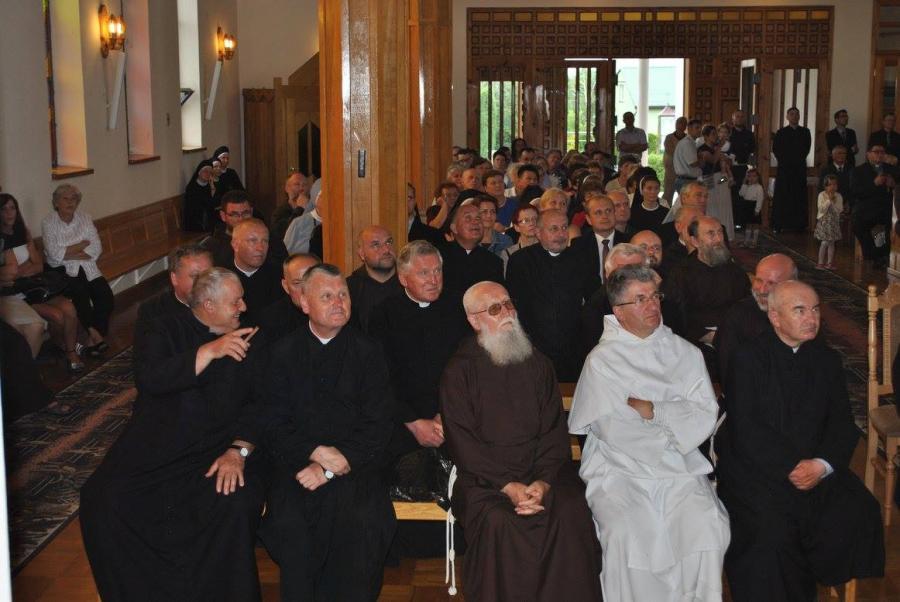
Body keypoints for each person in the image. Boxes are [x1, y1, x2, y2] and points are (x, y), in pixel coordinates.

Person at [80, 268, 266, 601]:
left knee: (235, 503)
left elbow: (261, 405)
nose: (243, 306)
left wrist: (238, 451)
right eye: (235, 301)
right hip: (156, 448)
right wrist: (209, 351)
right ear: (208, 305)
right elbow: (152, 379)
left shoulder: (252, 338)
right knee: (101, 499)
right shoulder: (163, 328)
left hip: (215, 452)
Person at [570, 265, 730, 602]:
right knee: (626, 534)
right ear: (618, 311)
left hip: (680, 468)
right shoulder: (602, 361)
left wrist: (655, 410)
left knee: (707, 524)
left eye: (655, 296)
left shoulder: (685, 352)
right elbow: (612, 426)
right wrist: (672, 425)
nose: (653, 305)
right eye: (640, 299)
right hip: (620, 469)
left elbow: (704, 411)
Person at [717, 280, 885, 602]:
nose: (812, 318)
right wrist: (790, 467)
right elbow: (746, 427)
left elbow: (842, 423)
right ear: (775, 317)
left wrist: (822, 465)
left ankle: (823, 583)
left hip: (816, 467)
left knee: (859, 510)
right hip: (760, 471)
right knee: (769, 533)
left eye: (815, 310)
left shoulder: (827, 360)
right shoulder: (747, 358)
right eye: (800, 310)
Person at [440, 281, 602, 601]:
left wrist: (542, 482)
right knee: (500, 521)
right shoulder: (458, 372)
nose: (507, 313)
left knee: (571, 510)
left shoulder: (538, 363)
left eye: (509, 304)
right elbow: (463, 444)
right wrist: (509, 486)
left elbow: (554, 432)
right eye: (495, 308)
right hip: (484, 479)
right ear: (474, 320)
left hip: (542, 471)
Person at [257, 264, 395, 601]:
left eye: (343, 295)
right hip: (298, 465)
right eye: (327, 296)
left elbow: (379, 423)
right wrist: (314, 453)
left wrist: (332, 465)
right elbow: (273, 421)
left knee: (361, 522)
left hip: (355, 465)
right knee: (291, 524)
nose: (338, 303)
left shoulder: (369, 351)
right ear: (304, 304)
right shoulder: (282, 353)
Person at [369, 240, 469, 461]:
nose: (434, 280)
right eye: (424, 273)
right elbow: (379, 378)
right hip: (403, 420)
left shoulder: (458, 307)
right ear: (403, 279)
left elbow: (469, 366)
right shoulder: (384, 315)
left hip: (455, 412)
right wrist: (413, 422)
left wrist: (446, 414)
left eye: (437, 271)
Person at [0, 193, 81, 370]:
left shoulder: (23, 232)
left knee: (69, 308)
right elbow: (11, 273)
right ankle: (58, 347)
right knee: (57, 316)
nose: (9, 213)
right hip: (18, 295)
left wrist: (24, 269)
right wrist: (25, 267)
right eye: (4, 209)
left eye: (12, 208)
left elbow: (38, 266)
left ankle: (71, 352)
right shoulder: (2, 239)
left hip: (36, 287)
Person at [663, 216, 750, 377]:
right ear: (695, 241)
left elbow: (747, 306)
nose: (718, 239)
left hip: (733, 335)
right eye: (711, 234)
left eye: (720, 232)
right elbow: (676, 316)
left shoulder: (735, 272)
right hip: (697, 341)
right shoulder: (681, 274)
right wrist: (705, 335)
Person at [506, 209, 586, 381]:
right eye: (554, 229)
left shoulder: (579, 258)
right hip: (534, 348)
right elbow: (516, 306)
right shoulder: (521, 261)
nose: (561, 234)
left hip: (573, 348)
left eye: (564, 227)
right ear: (538, 232)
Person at [41, 184, 114, 357]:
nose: (70, 202)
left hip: (87, 266)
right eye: (65, 199)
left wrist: (69, 252)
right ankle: (96, 336)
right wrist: (81, 245)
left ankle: (93, 337)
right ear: (56, 202)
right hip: (62, 271)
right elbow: (54, 253)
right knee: (80, 293)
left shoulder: (85, 218)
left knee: (106, 297)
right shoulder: (48, 223)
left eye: (73, 198)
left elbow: (96, 247)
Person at [713, 253, 797, 394]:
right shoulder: (737, 315)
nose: (762, 290)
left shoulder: (804, 314)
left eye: (771, 283)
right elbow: (729, 372)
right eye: (758, 280)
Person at [136, 244, 212, 340]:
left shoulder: (223, 297)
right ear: (174, 278)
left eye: (209, 274)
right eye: (195, 276)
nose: (204, 282)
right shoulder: (152, 313)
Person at [254, 253, 321, 348]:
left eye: (312, 281)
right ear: (286, 286)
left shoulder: (337, 311)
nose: (305, 289)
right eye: (297, 283)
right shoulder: (270, 320)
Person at [571, 192, 630, 295]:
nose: (604, 216)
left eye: (608, 211)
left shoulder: (628, 243)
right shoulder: (579, 245)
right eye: (598, 213)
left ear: (614, 214)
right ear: (588, 219)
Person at [346, 225, 401, 333]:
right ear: (362, 254)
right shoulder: (349, 289)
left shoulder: (410, 282)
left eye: (389, 242)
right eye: (376, 245)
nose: (386, 249)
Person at [439, 202, 503, 294]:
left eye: (478, 218)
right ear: (454, 228)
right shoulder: (438, 257)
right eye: (468, 218)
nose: (475, 222)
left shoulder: (494, 262)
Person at [229, 219, 285, 324]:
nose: (260, 248)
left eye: (265, 241)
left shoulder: (281, 276)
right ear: (235, 245)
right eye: (252, 241)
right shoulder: (220, 277)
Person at [851, 143, 896, 267]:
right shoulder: (859, 170)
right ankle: (875, 255)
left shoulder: (892, 169)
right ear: (868, 154)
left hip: (887, 208)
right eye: (876, 152)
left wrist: (894, 186)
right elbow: (855, 192)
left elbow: (897, 187)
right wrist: (874, 184)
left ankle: (883, 255)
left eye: (882, 152)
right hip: (867, 207)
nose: (880, 154)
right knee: (857, 224)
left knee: (891, 227)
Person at [772, 107, 812, 231]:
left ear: (799, 117)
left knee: (798, 196)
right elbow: (776, 149)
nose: (794, 116)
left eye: (796, 114)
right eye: (792, 114)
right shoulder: (781, 132)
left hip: (799, 169)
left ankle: (799, 225)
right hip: (784, 169)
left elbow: (806, 149)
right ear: (787, 117)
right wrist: (786, 161)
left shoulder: (805, 132)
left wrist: (796, 160)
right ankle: (779, 224)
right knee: (783, 196)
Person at [814, 174, 844, 269]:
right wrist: (828, 201)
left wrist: (833, 202)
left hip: (834, 222)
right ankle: (820, 262)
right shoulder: (821, 195)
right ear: (825, 186)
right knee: (824, 242)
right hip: (824, 222)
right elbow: (821, 209)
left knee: (831, 243)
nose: (832, 187)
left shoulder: (838, 196)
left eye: (835, 184)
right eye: (830, 184)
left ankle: (829, 263)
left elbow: (839, 209)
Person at [272, 173, 311, 242]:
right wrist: (299, 209)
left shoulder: (313, 209)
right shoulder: (280, 212)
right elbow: (282, 233)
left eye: (304, 185)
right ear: (287, 188)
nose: (301, 188)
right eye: (297, 184)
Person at [500, 204, 539, 274]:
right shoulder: (509, 254)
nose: (532, 223)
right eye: (526, 220)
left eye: (535, 219)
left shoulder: (549, 248)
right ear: (516, 227)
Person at [183, 159, 217, 232]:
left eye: (210, 172)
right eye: (205, 171)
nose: (208, 174)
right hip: (195, 221)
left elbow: (213, 204)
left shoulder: (209, 186)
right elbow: (199, 206)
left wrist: (212, 187)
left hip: (206, 219)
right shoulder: (192, 187)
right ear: (199, 172)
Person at [736, 167, 765, 247]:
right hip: (747, 206)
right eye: (749, 176)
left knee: (755, 225)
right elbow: (741, 193)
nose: (751, 178)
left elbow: (760, 199)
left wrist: (757, 209)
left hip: (754, 206)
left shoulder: (759, 187)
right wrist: (744, 183)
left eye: (754, 176)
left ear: (758, 177)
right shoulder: (746, 186)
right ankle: (747, 241)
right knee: (748, 224)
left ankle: (754, 241)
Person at [673, 119, 703, 194]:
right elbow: (693, 163)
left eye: (700, 128)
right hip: (686, 181)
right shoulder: (687, 143)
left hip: (687, 180)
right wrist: (702, 159)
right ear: (689, 129)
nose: (699, 130)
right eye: (697, 128)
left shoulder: (690, 142)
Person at [663, 117, 688, 203]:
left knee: (684, 195)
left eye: (683, 123)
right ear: (676, 125)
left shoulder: (688, 139)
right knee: (668, 194)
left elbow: (690, 154)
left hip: (684, 172)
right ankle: (665, 210)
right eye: (678, 123)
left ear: (685, 126)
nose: (680, 125)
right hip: (671, 171)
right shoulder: (669, 138)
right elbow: (671, 151)